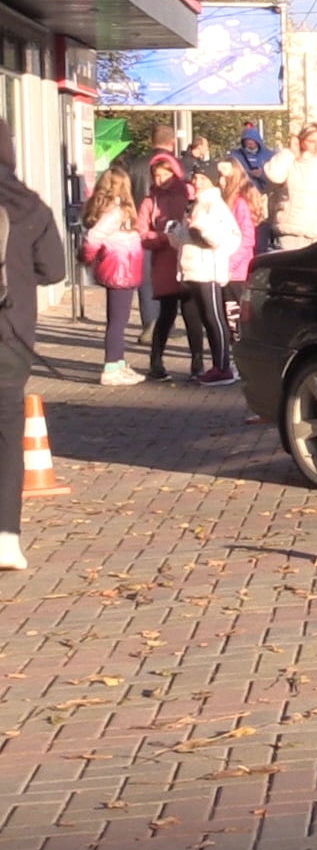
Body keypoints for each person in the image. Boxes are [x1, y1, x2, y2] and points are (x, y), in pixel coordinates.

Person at [0, 119, 67, 570]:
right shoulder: (31, 207)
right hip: (11, 338)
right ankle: (6, 538)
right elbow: (56, 271)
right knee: (7, 437)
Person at [167, 165, 241, 386]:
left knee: (214, 318)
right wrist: (174, 233)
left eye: (201, 178)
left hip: (207, 270)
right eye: (195, 178)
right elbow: (185, 239)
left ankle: (223, 367)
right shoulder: (196, 205)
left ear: (212, 181)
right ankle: (208, 366)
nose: (196, 182)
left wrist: (199, 227)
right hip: (190, 270)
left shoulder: (215, 205)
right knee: (196, 319)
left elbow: (224, 238)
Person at [81, 164, 146, 386]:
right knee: (118, 321)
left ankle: (118, 362)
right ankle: (111, 367)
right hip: (121, 268)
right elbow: (93, 237)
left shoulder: (110, 210)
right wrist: (88, 257)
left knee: (118, 319)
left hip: (122, 266)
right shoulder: (115, 212)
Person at [139, 151, 200, 380]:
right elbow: (142, 233)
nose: (161, 179)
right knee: (166, 314)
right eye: (157, 175)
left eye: (166, 173)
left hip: (189, 259)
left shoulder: (189, 193)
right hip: (164, 262)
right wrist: (163, 238)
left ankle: (197, 363)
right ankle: (156, 361)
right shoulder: (149, 201)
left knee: (192, 313)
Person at [127, 127, 170, 341]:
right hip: (169, 230)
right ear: (172, 142)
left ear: (151, 141)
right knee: (171, 277)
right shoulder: (177, 165)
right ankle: (165, 323)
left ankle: (150, 324)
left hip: (140, 230)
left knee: (146, 280)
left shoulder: (134, 165)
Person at [217, 159, 263, 336]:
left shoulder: (240, 204)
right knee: (226, 316)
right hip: (225, 268)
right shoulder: (225, 202)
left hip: (236, 271)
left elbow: (247, 239)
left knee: (234, 316)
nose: (220, 181)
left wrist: (230, 265)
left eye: (224, 177)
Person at [231, 124, 272, 192]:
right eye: (247, 140)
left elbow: (275, 177)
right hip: (243, 192)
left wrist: (262, 175)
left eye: (252, 140)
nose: (250, 142)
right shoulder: (236, 156)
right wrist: (248, 173)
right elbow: (233, 175)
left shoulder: (268, 155)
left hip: (264, 193)